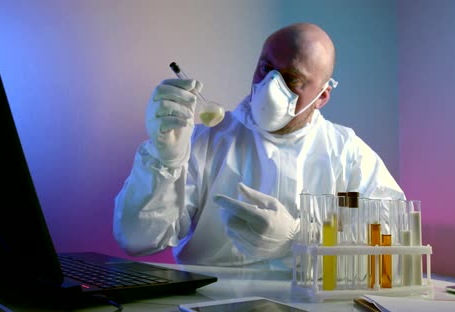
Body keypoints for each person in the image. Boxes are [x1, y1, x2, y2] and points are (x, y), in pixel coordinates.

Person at [113, 22, 404, 268]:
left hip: (307, 300)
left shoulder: (346, 154)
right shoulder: (205, 142)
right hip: (209, 301)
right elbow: (138, 241)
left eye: (291, 80)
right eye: (266, 68)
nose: (269, 86)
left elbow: (393, 246)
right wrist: (164, 159)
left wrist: (298, 238)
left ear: (323, 96)